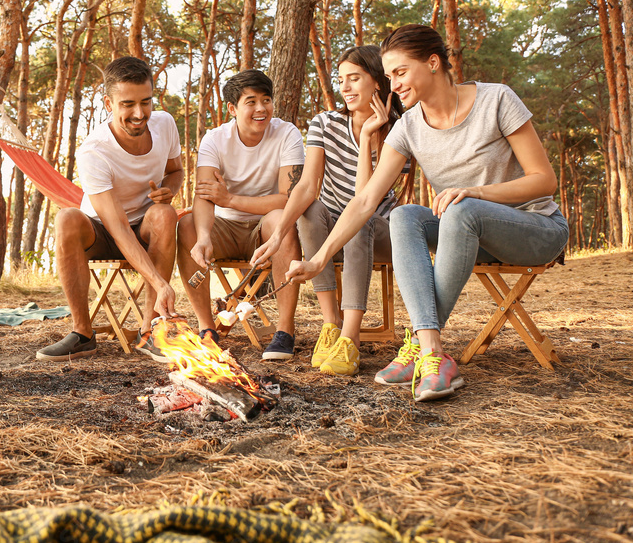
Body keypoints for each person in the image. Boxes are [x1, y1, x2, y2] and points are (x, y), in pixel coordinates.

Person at [273, 24, 568, 401]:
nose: (392, 84)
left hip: (535, 228)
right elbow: (365, 200)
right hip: (469, 235)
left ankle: (423, 347)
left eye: (400, 73)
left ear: (432, 63)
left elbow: (545, 181)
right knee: (404, 215)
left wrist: (476, 192)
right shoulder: (409, 126)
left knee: (461, 209)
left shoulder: (496, 100)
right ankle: (431, 350)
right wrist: (319, 258)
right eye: (389, 75)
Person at [253, 46, 412, 375]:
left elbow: (363, 200)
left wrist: (367, 137)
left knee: (359, 223)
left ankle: (350, 339)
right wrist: (278, 235)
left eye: (354, 79)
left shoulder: (401, 129)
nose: (345, 87)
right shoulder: (324, 123)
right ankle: (331, 325)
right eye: (342, 80)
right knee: (310, 208)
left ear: (378, 83)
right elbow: (307, 186)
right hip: (328, 229)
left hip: (379, 228)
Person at [36, 56, 183, 362]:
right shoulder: (94, 151)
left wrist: (171, 188)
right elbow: (117, 228)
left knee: (166, 214)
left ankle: (149, 331)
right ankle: (82, 334)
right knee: (67, 218)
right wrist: (160, 282)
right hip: (103, 230)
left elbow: (175, 170)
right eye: (127, 104)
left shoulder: (165, 124)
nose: (139, 113)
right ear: (108, 103)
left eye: (146, 102)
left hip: (146, 225)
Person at [176, 70, 305, 360]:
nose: (261, 108)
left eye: (266, 100)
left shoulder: (287, 134)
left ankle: (284, 330)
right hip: (225, 227)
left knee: (280, 221)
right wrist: (205, 236)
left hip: (265, 229)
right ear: (233, 109)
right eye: (251, 101)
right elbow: (205, 195)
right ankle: (207, 329)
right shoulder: (214, 140)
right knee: (187, 226)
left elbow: (289, 198)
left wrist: (231, 198)